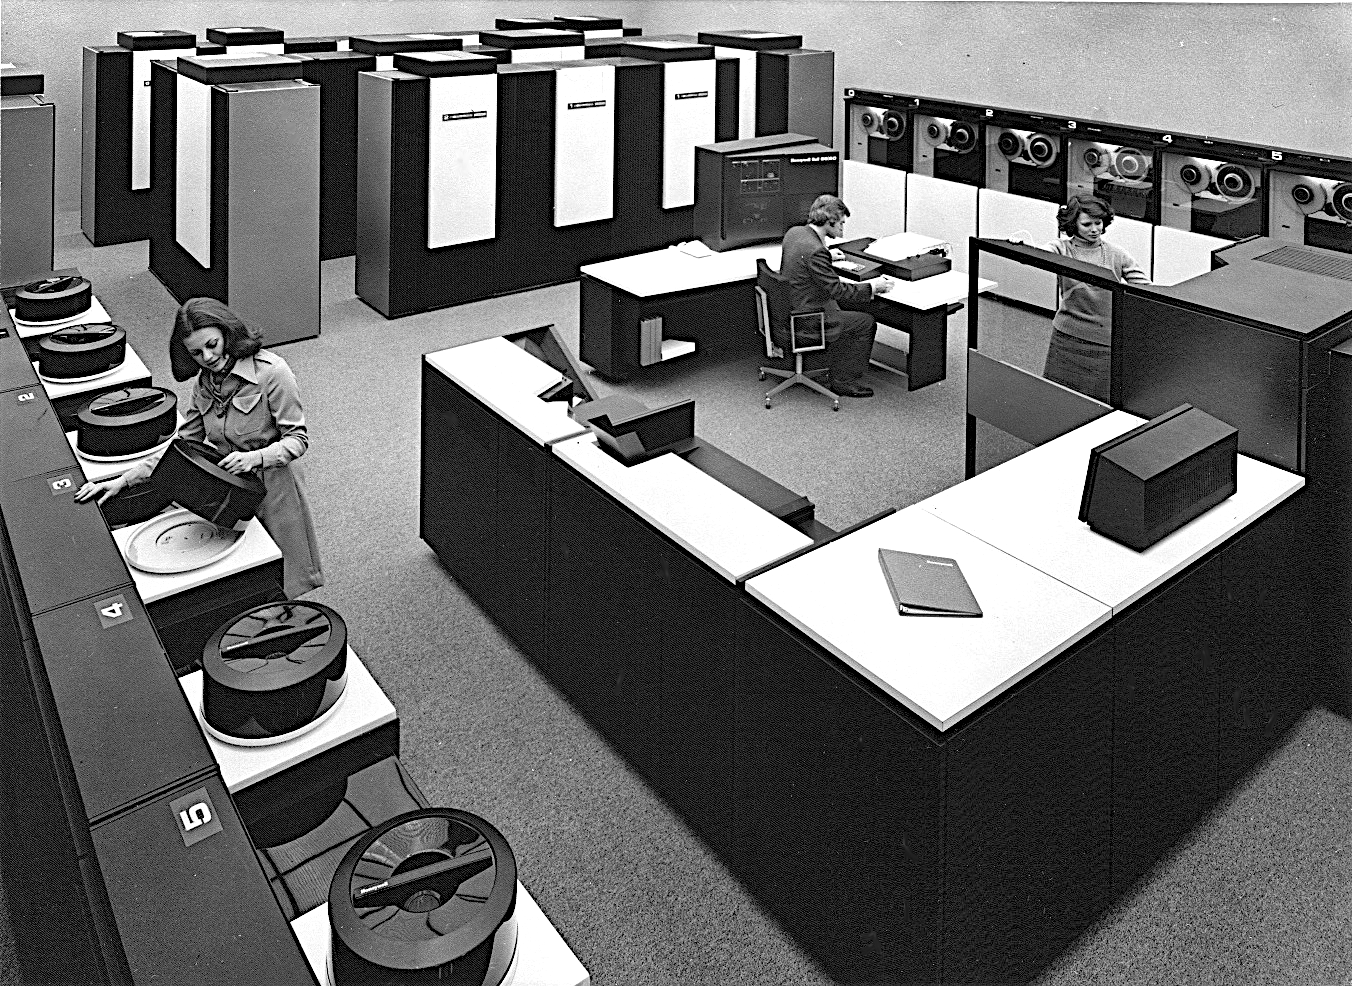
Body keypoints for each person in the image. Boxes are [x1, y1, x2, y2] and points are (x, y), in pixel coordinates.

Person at [77, 297, 324, 598]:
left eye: (212, 344)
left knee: (283, 575)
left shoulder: (272, 372)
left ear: (227, 334)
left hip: (275, 485)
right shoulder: (204, 384)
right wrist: (124, 480)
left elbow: (298, 439)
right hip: (227, 485)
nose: (207, 357)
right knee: (242, 573)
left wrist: (253, 458)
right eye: (196, 352)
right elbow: (183, 447)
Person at [779, 194, 895, 398]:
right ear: (829, 222)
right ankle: (844, 381)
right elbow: (838, 290)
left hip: (791, 306)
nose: (842, 228)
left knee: (845, 308)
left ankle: (836, 365)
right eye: (841, 223)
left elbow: (804, 258)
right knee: (865, 322)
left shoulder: (795, 232)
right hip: (808, 316)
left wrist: (826, 257)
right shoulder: (816, 251)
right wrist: (873, 287)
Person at [1039, 194, 1150, 402]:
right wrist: (1021, 244)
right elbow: (1041, 254)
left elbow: (1145, 287)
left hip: (1103, 340)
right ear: (1073, 224)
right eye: (1087, 224)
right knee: (1057, 396)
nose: (1094, 229)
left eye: (1098, 223)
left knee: (1099, 401)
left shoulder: (1117, 254)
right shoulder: (1061, 248)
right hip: (1066, 336)